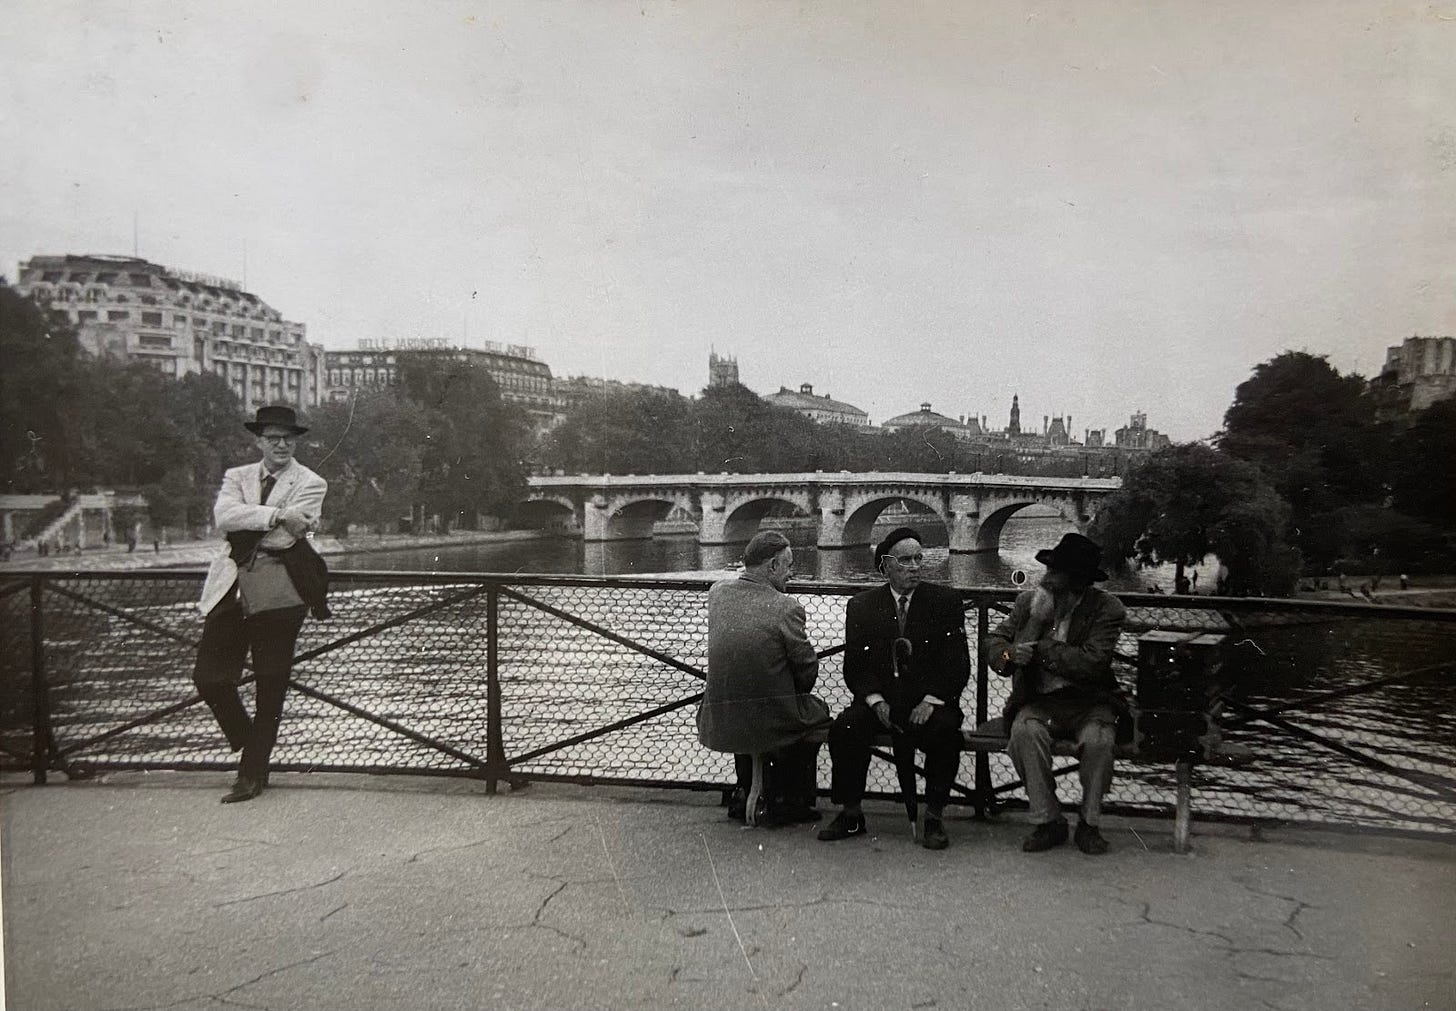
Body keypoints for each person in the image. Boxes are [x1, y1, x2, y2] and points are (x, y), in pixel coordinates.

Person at [193, 404, 328, 804]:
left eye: (288, 438)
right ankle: (253, 745)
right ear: (259, 442)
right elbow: (224, 518)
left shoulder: (312, 482)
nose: (281, 445)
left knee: (271, 684)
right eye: (273, 438)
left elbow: (284, 540)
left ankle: (251, 774)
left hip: (280, 591)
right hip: (232, 588)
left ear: (296, 441)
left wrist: (260, 522)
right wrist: (279, 515)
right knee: (210, 677)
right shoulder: (236, 476)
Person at [817, 527, 970, 850]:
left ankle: (933, 816)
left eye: (918, 558)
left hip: (929, 703)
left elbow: (958, 666)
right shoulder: (862, 606)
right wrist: (874, 702)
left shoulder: (946, 602)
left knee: (945, 732)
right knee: (846, 727)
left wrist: (931, 701)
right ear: (886, 566)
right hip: (883, 702)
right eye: (905, 560)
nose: (915, 566)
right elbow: (855, 667)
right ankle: (851, 812)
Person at [986, 533, 1127, 855]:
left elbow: (1092, 662)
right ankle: (1048, 820)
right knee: (1024, 734)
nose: (1046, 581)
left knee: (1099, 742)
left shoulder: (1107, 609)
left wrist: (1038, 651)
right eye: (1048, 573)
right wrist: (1009, 654)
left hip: (1090, 702)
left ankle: (1089, 824)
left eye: (1055, 577)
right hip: (1039, 701)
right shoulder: (1029, 603)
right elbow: (995, 641)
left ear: (1077, 583)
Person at [698, 531, 830, 825]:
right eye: (789, 565)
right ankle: (789, 800)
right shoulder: (786, 606)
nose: (791, 573)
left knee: (752, 704)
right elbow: (806, 669)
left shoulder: (717, 593)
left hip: (719, 716)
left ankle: (745, 790)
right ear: (772, 566)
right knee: (816, 711)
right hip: (768, 718)